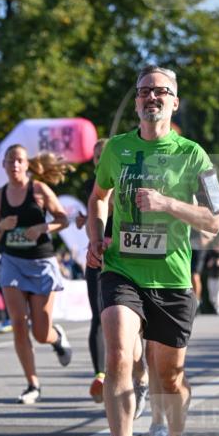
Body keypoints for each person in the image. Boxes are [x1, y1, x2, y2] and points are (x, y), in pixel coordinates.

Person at [87, 65, 219, 436]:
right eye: (144, 91)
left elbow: (216, 221)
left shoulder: (193, 155)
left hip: (171, 280)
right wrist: (96, 235)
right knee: (117, 356)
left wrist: (167, 204)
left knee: (170, 378)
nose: (152, 97)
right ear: (136, 101)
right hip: (121, 270)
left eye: (161, 91)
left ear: (174, 102)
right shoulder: (116, 149)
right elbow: (99, 197)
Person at [0, 145, 72, 403]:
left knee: (41, 333)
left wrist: (43, 227)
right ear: (3, 165)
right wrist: (2, 226)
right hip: (12, 262)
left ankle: (56, 337)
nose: (14, 165)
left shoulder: (39, 190)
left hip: (41, 262)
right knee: (18, 323)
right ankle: (32, 384)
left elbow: (64, 219)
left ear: (27, 165)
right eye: (10, 160)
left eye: (19, 160)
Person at [77, 138, 150, 414]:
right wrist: (93, 234)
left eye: (102, 155)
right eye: (95, 156)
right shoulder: (93, 186)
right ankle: (103, 374)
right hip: (99, 261)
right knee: (102, 317)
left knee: (135, 335)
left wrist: (116, 241)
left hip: (130, 259)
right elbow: (94, 214)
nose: (99, 160)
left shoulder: (129, 178)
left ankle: (140, 373)